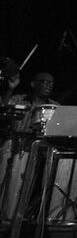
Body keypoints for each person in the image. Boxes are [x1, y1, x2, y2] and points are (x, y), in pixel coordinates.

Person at [0, 72, 57, 220]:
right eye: (44, 81)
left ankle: (12, 221)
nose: (48, 85)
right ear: (33, 84)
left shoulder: (55, 106)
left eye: (51, 83)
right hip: (14, 143)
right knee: (5, 185)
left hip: (35, 149)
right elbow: (4, 109)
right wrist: (10, 89)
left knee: (21, 189)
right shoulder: (19, 99)